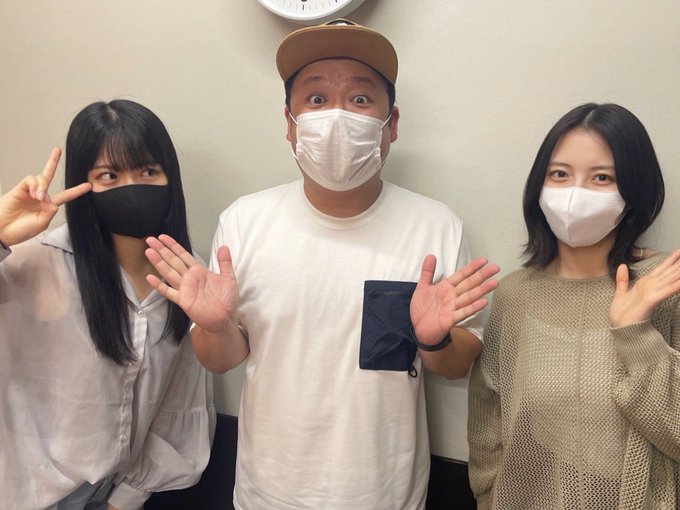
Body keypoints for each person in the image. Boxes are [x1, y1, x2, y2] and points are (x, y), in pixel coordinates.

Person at [145, 19, 499, 509]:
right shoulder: (244, 222)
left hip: (386, 493)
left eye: (360, 99)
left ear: (392, 124)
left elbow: (456, 366)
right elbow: (221, 358)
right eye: (316, 99)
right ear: (290, 124)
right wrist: (214, 325)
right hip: (268, 492)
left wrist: (433, 339)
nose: (336, 117)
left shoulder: (436, 226)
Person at [0, 100, 215, 510]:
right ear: (84, 183)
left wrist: (125, 500)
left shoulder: (186, 277)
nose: (130, 187)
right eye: (109, 176)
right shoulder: (34, 260)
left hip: (112, 496)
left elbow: (180, 402)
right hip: (23, 492)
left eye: (147, 171)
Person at [467, 103, 680, 509]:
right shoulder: (515, 294)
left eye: (602, 178)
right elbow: (488, 416)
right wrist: (489, 494)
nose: (574, 194)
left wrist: (636, 335)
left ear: (633, 192)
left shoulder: (666, 286)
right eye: (560, 174)